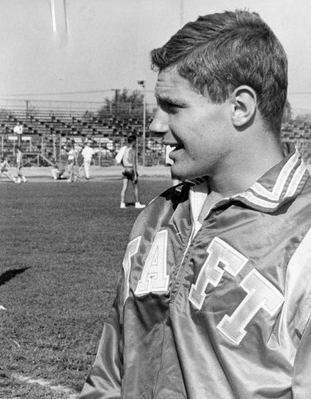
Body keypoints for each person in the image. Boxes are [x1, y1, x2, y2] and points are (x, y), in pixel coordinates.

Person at [81, 10, 311, 398]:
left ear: (240, 107)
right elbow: (109, 374)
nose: (155, 124)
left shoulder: (302, 232)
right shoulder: (159, 215)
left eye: (173, 107)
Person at [119, 135, 146, 209]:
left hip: (125, 169)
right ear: (133, 142)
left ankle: (122, 203)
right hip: (131, 170)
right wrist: (135, 175)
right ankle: (137, 203)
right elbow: (134, 163)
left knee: (124, 187)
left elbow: (121, 160)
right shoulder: (133, 151)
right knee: (136, 187)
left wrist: (124, 166)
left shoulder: (124, 150)